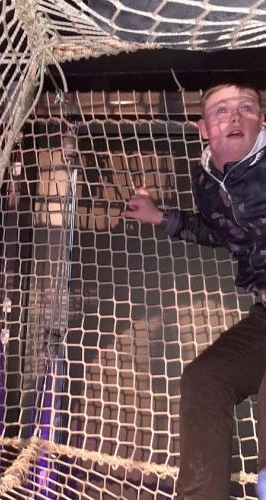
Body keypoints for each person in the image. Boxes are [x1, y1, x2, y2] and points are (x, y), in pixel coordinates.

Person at [122, 80, 266, 499]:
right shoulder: (206, 182)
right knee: (205, 379)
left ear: (261, 121)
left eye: (246, 108)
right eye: (222, 111)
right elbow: (219, 233)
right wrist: (160, 218)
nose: (235, 116)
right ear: (204, 129)